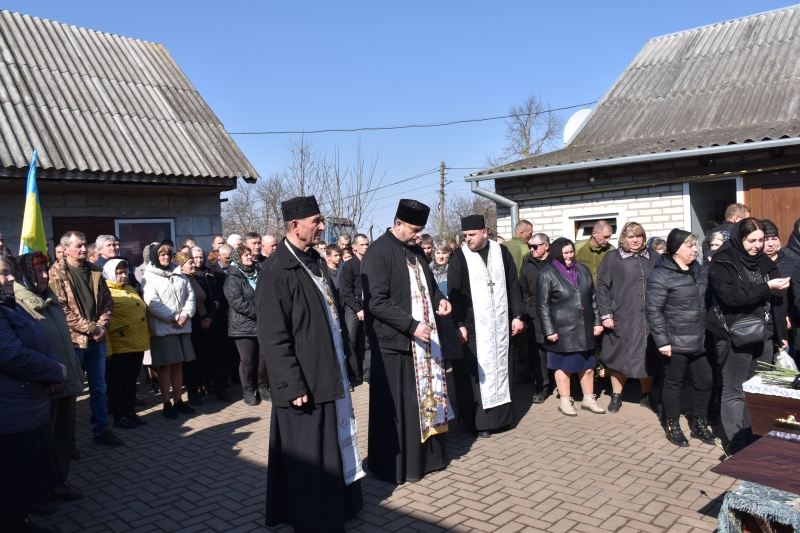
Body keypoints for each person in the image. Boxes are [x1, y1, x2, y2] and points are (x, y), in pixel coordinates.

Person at [256, 196, 364, 532]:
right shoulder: (276, 271)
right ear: (294, 225)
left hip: (325, 370)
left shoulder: (312, 261)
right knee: (308, 456)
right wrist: (291, 384)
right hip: (304, 380)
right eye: (316, 221)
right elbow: (272, 336)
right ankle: (314, 519)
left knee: (328, 447)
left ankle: (334, 507)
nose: (322, 227)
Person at [361, 199, 452, 483]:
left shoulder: (415, 251)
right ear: (398, 224)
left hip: (422, 344)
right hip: (394, 345)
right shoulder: (378, 252)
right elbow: (376, 301)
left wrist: (440, 300)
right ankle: (397, 467)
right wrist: (412, 326)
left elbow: (429, 285)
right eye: (414, 229)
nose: (418, 235)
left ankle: (426, 460)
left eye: (421, 229)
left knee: (420, 403)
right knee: (398, 410)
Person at [708, 218, 789, 453]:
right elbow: (730, 296)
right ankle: (736, 443)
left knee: (756, 389)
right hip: (733, 334)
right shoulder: (723, 261)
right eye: (751, 240)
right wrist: (767, 287)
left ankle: (754, 438)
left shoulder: (764, 261)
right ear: (739, 238)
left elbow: (777, 301)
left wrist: (780, 336)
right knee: (734, 389)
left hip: (764, 333)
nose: (758, 245)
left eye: (761, 240)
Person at [0, 255, 67, 533]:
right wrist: (54, 371)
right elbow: (10, 354)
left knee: (28, 469)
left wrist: (51, 368)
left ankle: (22, 517)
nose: (12, 278)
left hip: (28, 403)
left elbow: (40, 338)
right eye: (4, 273)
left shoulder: (9, 306)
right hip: (11, 409)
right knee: (14, 474)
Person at [14, 252, 85, 505]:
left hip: (65, 378)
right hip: (44, 385)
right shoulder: (18, 304)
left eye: (46, 270)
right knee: (42, 444)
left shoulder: (50, 298)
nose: (46, 276)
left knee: (62, 439)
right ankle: (39, 492)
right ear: (25, 275)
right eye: (39, 272)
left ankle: (58, 484)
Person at [448, 215, 524, 437]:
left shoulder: (502, 252)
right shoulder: (459, 257)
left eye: (472, 235)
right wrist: (458, 324)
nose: (468, 240)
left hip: (499, 324)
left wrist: (517, 315)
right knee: (475, 376)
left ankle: (503, 418)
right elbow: (454, 294)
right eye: (465, 236)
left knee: (501, 369)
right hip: (473, 327)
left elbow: (513, 285)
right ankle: (479, 423)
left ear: (484, 232)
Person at [50, 231, 121, 446]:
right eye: (78, 246)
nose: (83, 249)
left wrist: (100, 325)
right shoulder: (56, 273)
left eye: (84, 245)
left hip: (97, 340)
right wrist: (90, 328)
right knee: (72, 390)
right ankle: (67, 440)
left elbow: (108, 302)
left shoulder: (94, 270)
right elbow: (61, 309)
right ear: (65, 249)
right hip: (74, 342)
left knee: (99, 387)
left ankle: (101, 430)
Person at [646, 229, 716, 447]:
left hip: (701, 340)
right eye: (690, 246)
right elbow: (653, 310)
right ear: (676, 249)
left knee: (705, 382)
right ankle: (672, 423)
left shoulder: (701, 271)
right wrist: (663, 341)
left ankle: (699, 422)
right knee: (673, 384)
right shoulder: (661, 275)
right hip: (674, 342)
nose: (696, 250)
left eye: (695, 245)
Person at [596, 222, 660, 413]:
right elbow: (602, 286)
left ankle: (646, 395)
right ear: (624, 238)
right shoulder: (612, 258)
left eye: (639, 236)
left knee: (647, 355)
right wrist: (606, 314)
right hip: (622, 315)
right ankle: (616, 394)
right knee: (620, 354)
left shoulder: (654, 257)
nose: (635, 240)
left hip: (649, 316)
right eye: (631, 236)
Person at [536, 238, 605, 416]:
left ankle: (589, 399)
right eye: (565, 253)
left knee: (588, 367)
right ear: (558, 253)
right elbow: (542, 305)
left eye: (571, 252)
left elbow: (593, 299)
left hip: (584, 327)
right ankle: (565, 401)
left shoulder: (583, 270)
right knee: (563, 367)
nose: (569, 256)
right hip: (562, 329)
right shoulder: (547, 274)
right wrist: (549, 330)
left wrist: (597, 322)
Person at [142, 245, 197, 419]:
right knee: (166, 365)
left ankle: (179, 400)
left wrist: (185, 315)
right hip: (165, 327)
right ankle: (166, 403)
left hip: (182, 325)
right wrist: (174, 317)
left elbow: (190, 295)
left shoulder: (179, 272)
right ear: (154, 257)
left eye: (168, 254)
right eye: (162, 255)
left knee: (179, 364)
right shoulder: (149, 276)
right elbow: (152, 303)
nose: (166, 257)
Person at [101, 259, 150, 429]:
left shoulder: (129, 289)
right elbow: (103, 322)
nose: (123, 275)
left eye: (124, 271)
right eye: (118, 272)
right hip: (119, 347)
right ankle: (119, 416)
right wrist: (107, 348)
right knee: (116, 384)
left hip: (136, 344)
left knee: (130, 382)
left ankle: (130, 412)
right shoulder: (106, 292)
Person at [225, 244, 267, 405]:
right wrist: (258, 313)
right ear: (238, 259)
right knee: (248, 359)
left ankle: (262, 386)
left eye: (250, 254)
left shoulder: (259, 272)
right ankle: (248, 389)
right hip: (242, 325)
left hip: (262, 324)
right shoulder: (233, 277)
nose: (250, 257)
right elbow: (236, 301)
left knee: (263, 358)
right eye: (245, 255)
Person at [189, 247, 231, 403]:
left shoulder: (209, 274)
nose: (198, 260)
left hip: (211, 321)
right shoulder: (186, 278)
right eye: (195, 258)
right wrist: (199, 321)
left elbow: (213, 296)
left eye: (201, 257)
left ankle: (220, 388)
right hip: (194, 324)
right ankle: (196, 389)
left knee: (216, 357)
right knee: (197, 360)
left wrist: (211, 317)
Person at [519, 233, 553, 403]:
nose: (531, 249)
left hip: (555, 314)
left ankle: (565, 387)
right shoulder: (527, 266)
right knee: (538, 353)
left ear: (546, 246)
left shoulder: (556, 263)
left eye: (535, 246)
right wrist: (525, 314)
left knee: (557, 350)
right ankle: (541, 387)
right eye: (530, 247)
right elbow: (523, 293)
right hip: (534, 315)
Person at [339, 234, 370, 386]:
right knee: (350, 341)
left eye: (367, 244)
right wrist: (357, 309)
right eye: (362, 245)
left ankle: (367, 373)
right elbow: (345, 291)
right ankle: (349, 375)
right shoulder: (349, 266)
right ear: (355, 247)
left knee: (367, 341)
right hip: (353, 308)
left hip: (368, 307)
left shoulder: (371, 263)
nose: (365, 247)